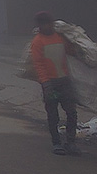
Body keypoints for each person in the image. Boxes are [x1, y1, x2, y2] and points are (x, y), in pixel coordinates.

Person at [30, 10, 81, 156]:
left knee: (71, 112)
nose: (47, 26)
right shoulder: (37, 42)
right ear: (40, 26)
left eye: (49, 23)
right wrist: (46, 85)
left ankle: (71, 142)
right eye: (44, 24)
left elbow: (70, 51)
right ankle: (56, 143)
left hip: (64, 81)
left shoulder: (60, 37)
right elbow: (39, 65)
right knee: (53, 115)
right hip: (50, 83)